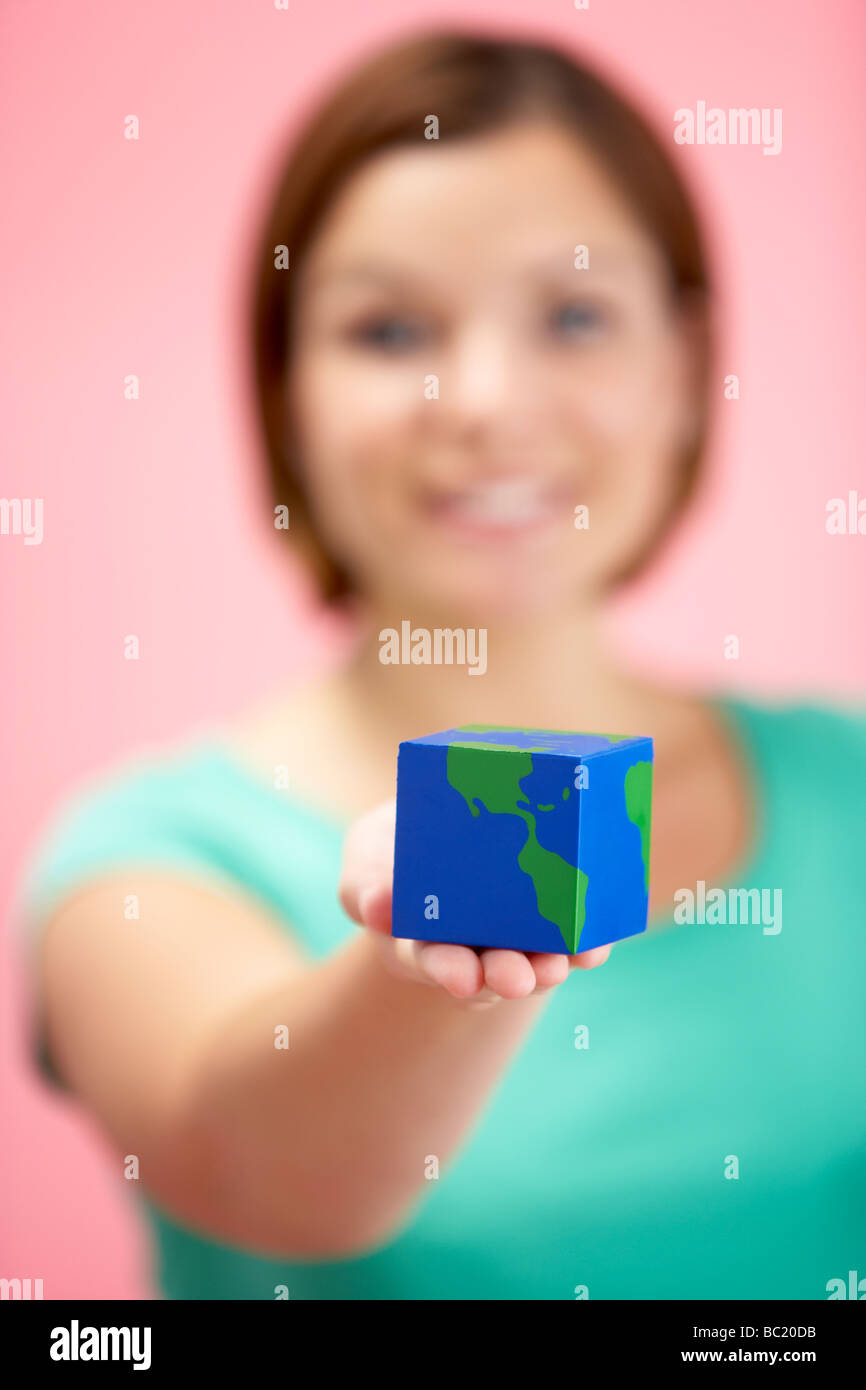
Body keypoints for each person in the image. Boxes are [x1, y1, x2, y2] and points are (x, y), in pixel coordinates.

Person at [16, 30, 866, 1301]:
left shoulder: (843, 785)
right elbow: (258, 1170)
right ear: (285, 392)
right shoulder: (144, 862)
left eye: (575, 314)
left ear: (685, 369)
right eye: (390, 326)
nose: (480, 399)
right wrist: (427, 962)